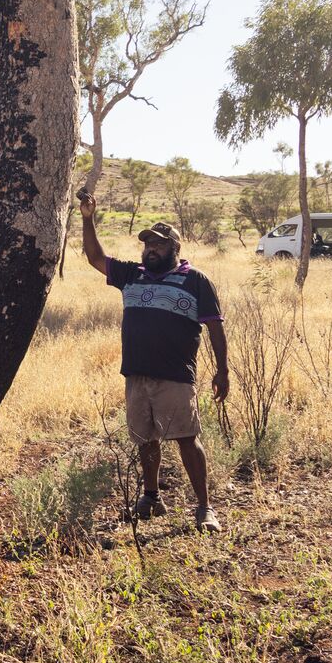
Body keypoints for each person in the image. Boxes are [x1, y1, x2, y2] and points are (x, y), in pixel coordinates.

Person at [77, 199, 229, 532]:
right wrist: (88, 220)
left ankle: (204, 508)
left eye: (159, 244)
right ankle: (151, 497)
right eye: (147, 244)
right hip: (136, 374)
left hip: (175, 376)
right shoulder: (132, 274)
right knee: (146, 440)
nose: (151, 250)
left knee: (187, 438)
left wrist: (223, 370)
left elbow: (215, 326)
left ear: (174, 247)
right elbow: (95, 258)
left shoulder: (195, 280)